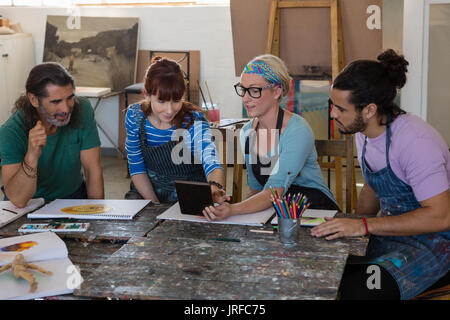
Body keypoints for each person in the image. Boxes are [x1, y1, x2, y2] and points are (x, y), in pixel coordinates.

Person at [311, 49, 450, 300]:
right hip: (389, 234)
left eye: (341, 109)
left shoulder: (415, 142)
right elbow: (374, 186)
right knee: (321, 267)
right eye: (333, 106)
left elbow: (440, 217)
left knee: (361, 291)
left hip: (434, 243)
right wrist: (350, 226)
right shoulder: (363, 133)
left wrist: (363, 225)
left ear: (369, 110)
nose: (333, 114)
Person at [202, 54, 338, 221]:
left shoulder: (297, 130)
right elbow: (256, 190)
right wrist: (231, 211)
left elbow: (275, 190)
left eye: (254, 90)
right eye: (243, 89)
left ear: (276, 91)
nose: (245, 98)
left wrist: (234, 209)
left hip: (315, 212)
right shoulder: (247, 132)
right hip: (276, 211)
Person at [124, 57, 227, 204]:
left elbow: (212, 162)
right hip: (147, 190)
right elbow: (136, 167)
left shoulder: (193, 121)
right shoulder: (135, 116)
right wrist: (155, 207)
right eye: (161, 101)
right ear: (147, 94)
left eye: (176, 100)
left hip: (187, 191)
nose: (169, 110)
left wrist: (215, 188)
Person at [0, 62, 104, 207]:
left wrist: (97, 214)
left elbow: (92, 169)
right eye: (56, 102)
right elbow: (18, 200)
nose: (65, 109)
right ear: (34, 100)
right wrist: (31, 156)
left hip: (73, 196)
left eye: (69, 98)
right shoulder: (10, 131)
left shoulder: (82, 108)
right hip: (28, 204)